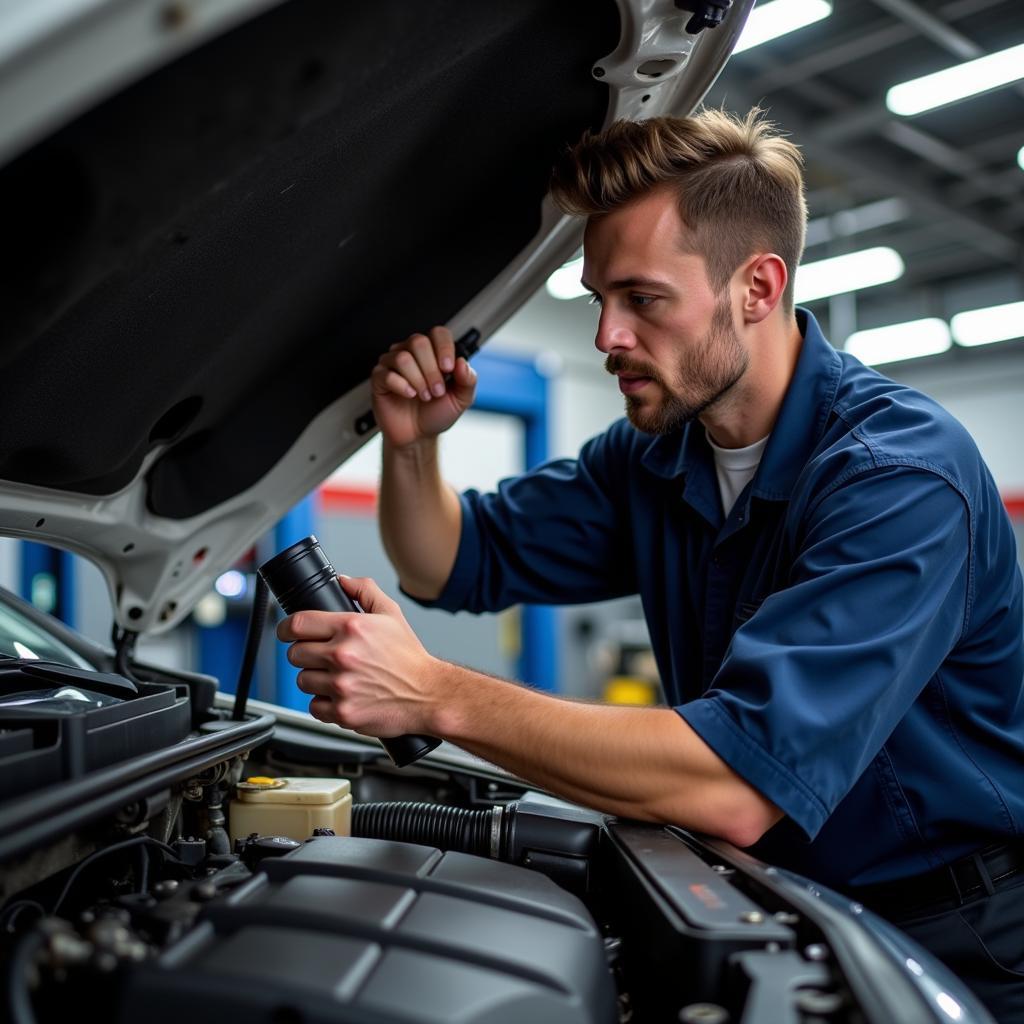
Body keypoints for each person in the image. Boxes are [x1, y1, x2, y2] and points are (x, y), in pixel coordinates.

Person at [278, 108, 1024, 1019]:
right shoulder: (656, 456)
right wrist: (410, 448)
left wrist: (433, 692)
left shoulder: (898, 476)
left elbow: (737, 783)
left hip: (947, 934)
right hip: (767, 896)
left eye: (642, 299)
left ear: (756, 287)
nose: (605, 337)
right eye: (598, 299)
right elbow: (448, 564)